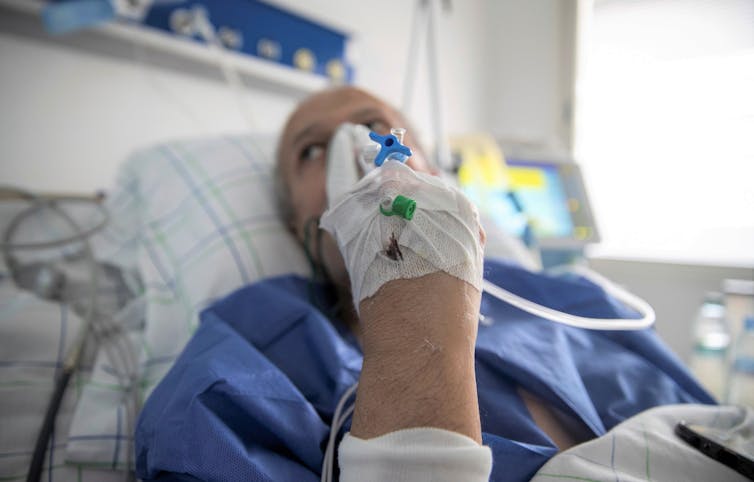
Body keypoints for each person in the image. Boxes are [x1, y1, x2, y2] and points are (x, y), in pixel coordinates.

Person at [134, 86, 714, 482]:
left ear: (435, 176)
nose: (357, 150)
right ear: (296, 222)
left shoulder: (574, 300)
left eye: (377, 128)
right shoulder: (250, 343)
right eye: (313, 149)